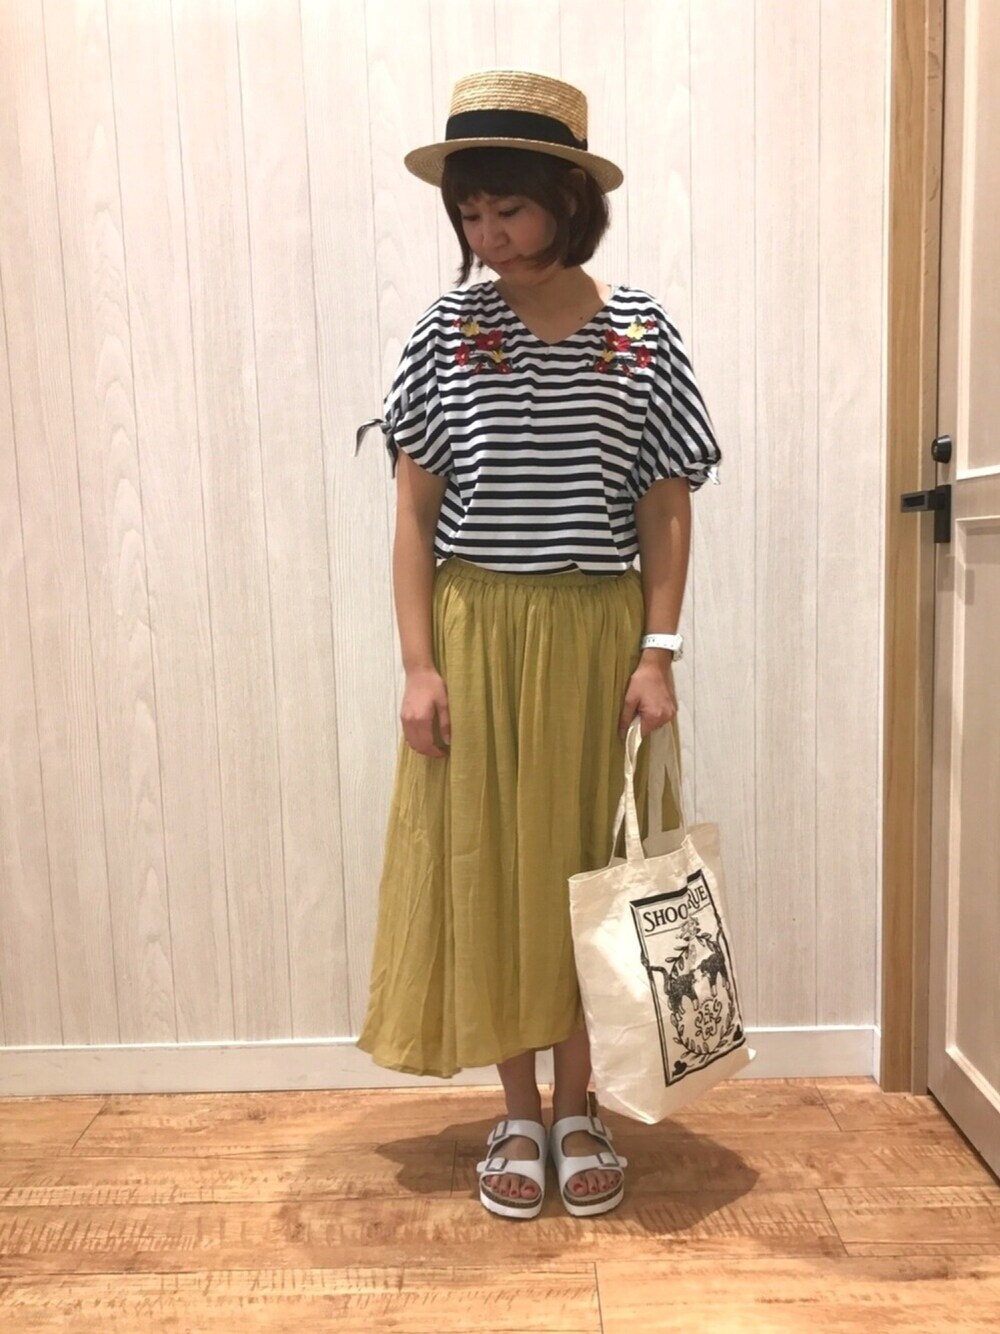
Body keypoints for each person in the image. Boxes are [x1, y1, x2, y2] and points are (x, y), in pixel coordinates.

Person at [354, 69, 721, 1221]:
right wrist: (418, 665)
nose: (488, 235)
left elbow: (666, 504)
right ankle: (516, 1109)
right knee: (491, 867)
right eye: (469, 212)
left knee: (590, 869)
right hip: (475, 629)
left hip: (598, 633)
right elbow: (413, 512)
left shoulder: (640, 331)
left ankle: (579, 1105)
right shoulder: (444, 332)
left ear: (568, 199)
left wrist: (657, 650)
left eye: (507, 207)